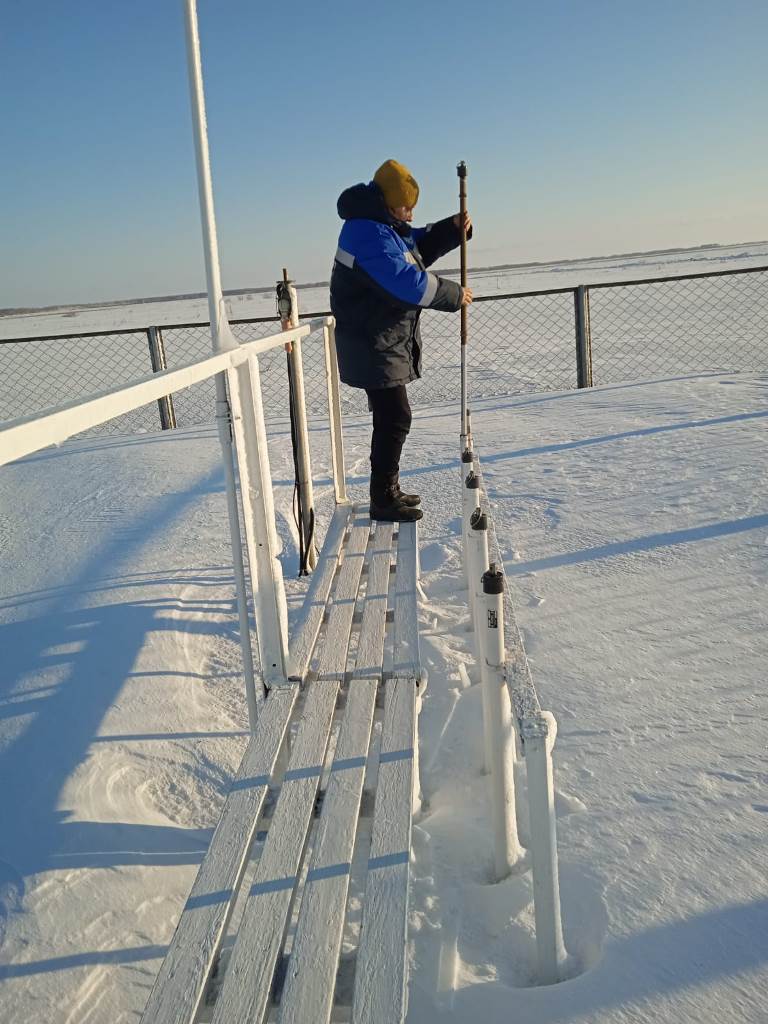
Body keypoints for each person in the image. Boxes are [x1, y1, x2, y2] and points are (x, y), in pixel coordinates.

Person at [330, 159, 473, 522]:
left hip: (379, 338)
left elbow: (415, 244)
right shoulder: (368, 234)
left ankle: (387, 491)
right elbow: (406, 281)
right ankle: (382, 498)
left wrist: (451, 229)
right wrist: (453, 295)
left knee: (392, 416)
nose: (410, 214)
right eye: (406, 206)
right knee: (395, 417)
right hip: (371, 339)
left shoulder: (381, 226)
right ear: (388, 202)